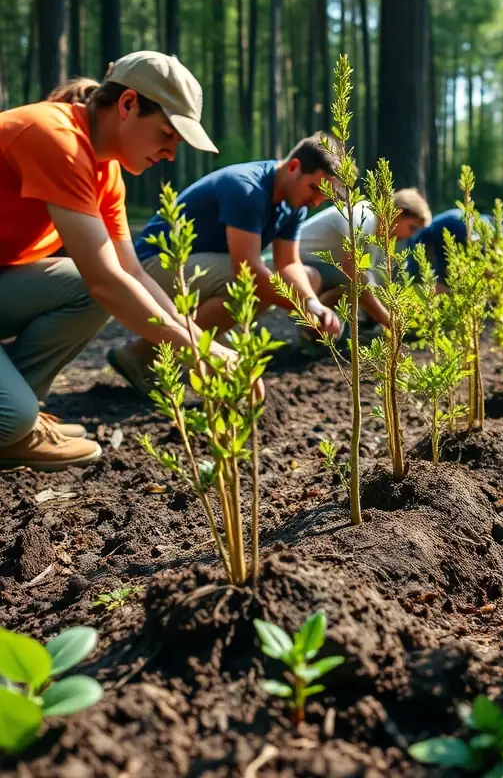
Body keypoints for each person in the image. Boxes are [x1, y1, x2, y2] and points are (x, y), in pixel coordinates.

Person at [0, 51, 228, 471]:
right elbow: (108, 280)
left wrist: (201, 341)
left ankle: (21, 421)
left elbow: (130, 272)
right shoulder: (55, 137)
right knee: (7, 416)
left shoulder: (105, 171)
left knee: (83, 289)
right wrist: (206, 357)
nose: (171, 154)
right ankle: (17, 422)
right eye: (166, 134)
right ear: (127, 105)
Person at [108, 132, 344, 393]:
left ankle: (140, 354)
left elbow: (289, 263)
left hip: (198, 272)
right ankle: (145, 355)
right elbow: (249, 273)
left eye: (325, 197)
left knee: (286, 282)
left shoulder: (294, 205)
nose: (315, 202)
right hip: (151, 267)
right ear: (293, 167)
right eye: (314, 189)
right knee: (250, 286)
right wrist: (303, 310)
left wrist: (311, 302)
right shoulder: (248, 188)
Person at [295, 188, 432, 329]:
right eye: (412, 227)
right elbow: (357, 278)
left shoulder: (374, 231)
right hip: (294, 265)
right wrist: (391, 323)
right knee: (354, 285)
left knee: (356, 287)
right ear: (398, 213)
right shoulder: (361, 218)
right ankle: (312, 336)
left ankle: (324, 332)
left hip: (321, 269)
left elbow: (365, 278)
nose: (410, 235)